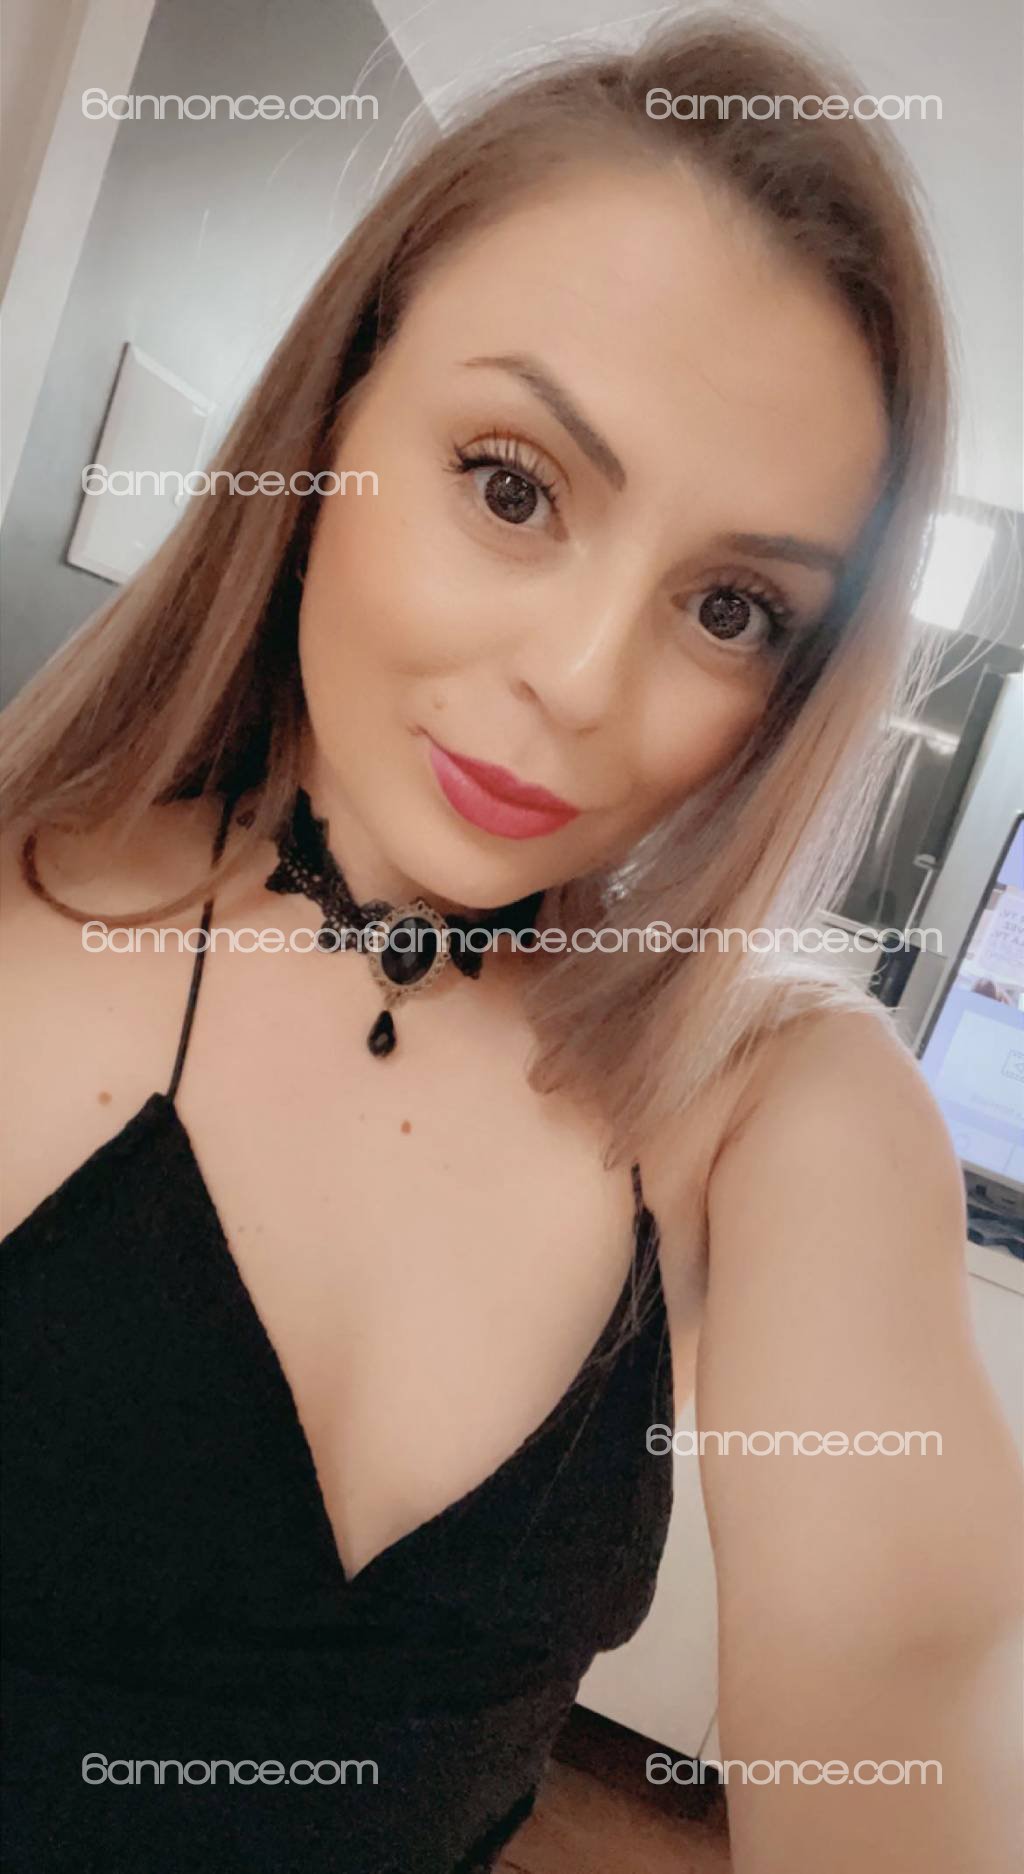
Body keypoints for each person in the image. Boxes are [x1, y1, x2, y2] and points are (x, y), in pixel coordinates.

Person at [1, 14, 1021, 1874]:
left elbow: (897, 1742)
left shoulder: (773, 1113)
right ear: (328, 422)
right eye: (511, 484)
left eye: (733, 607)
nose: (581, 680)